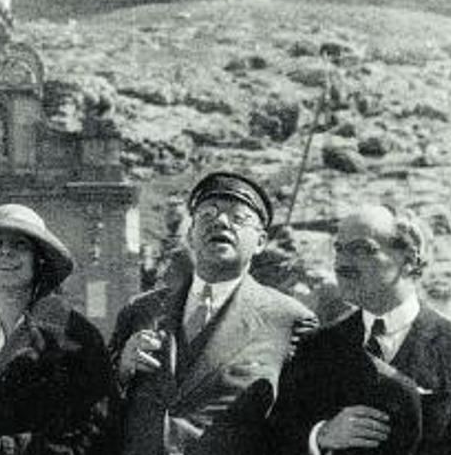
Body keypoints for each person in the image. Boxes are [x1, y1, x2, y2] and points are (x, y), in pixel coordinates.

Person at [269, 205, 451, 455]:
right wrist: (321, 436)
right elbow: (276, 439)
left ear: (409, 260)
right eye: (339, 250)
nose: (342, 263)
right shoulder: (317, 347)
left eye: (361, 249)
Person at [108, 172, 315, 455]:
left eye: (239, 218)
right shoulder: (140, 310)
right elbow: (99, 407)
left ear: (261, 241)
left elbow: (298, 427)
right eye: (207, 214)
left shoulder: (289, 321)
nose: (220, 222)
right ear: (191, 234)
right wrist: (121, 370)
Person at [0, 204, 112, 455]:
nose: (5, 252)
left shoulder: (76, 338)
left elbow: (95, 434)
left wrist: (9, 449)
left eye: (20, 245)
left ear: (39, 260)